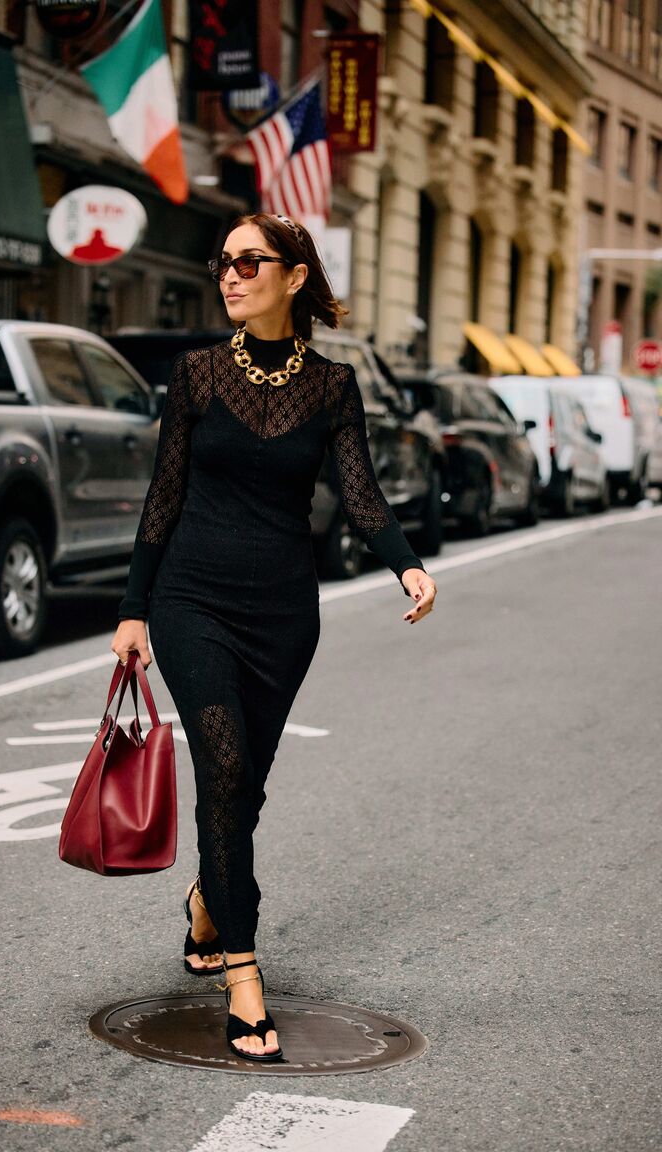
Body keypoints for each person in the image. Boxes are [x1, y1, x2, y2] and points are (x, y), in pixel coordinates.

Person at [111, 212, 437, 1062]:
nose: (231, 275)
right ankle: (244, 974)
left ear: (293, 277)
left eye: (249, 262)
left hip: (284, 613)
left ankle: (207, 903)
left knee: (245, 783)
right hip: (193, 598)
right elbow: (162, 497)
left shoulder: (333, 389)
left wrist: (406, 564)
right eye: (223, 262)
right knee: (220, 762)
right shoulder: (194, 376)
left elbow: (361, 494)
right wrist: (135, 608)